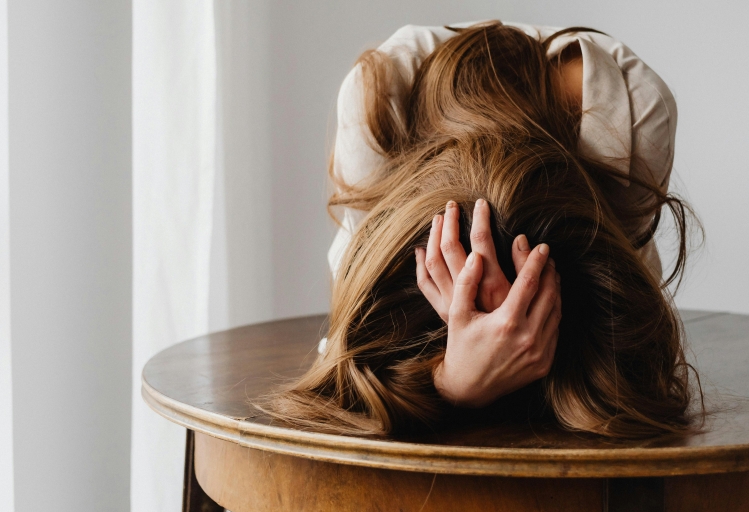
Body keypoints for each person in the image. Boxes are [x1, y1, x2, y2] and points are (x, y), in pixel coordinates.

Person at [262, 21, 698, 439]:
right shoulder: (376, 104)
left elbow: (635, 371)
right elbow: (346, 358)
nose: (504, 325)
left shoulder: (630, 116)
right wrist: (451, 381)